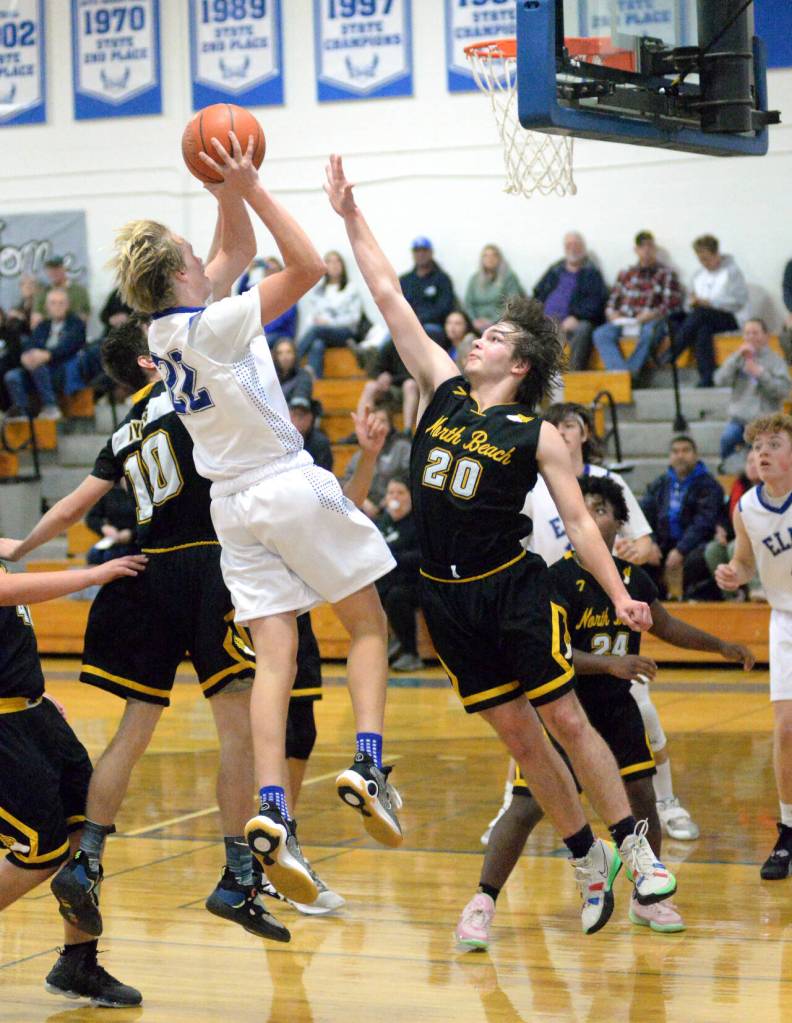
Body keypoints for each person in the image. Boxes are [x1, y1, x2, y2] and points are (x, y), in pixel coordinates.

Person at [327, 153, 676, 935]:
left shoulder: (539, 431)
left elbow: (583, 523)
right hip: (444, 598)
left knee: (566, 720)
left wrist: (621, 594)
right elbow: (388, 295)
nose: (473, 339)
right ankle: (589, 854)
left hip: (511, 586)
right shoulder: (443, 386)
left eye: (490, 335)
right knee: (519, 735)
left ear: (518, 364)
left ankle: (638, 850)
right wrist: (351, 217)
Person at [116, 133, 403, 907]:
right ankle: (371, 762)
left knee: (273, 654)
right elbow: (306, 266)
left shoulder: (160, 329)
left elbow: (233, 245)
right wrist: (261, 188)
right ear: (181, 273)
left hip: (231, 509)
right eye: (190, 249)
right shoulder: (214, 324)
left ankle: (270, 807)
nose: (202, 250)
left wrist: (226, 188)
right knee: (370, 622)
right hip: (281, 482)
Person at [0, 318, 296, 942]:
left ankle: (89, 860)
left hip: (149, 571)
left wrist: (21, 546)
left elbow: (71, 507)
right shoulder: (189, 400)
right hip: (209, 562)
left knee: (134, 729)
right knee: (236, 728)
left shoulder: (123, 429)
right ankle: (238, 876)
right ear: (148, 362)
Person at [455, 474, 754, 949]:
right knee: (526, 806)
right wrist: (610, 664)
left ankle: (647, 897)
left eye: (601, 509)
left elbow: (668, 625)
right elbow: (547, 653)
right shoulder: (555, 579)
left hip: (616, 710)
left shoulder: (633, 580)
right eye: (584, 508)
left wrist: (721, 646)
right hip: (562, 708)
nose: (592, 516)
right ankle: (482, 902)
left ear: (619, 522)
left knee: (643, 799)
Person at [518, 403, 700, 843]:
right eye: (553, 425)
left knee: (644, 715)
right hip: (552, 603)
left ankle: (665, 802)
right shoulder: (528, 483)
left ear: (584, 434)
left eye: (569, 425)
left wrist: (634, 555)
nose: (561, 432)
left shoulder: (609, 483)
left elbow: (644, 542)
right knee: (531, 724)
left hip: (610, 607)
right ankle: (521, 803)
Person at [0, 555, 146, 1008]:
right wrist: (93, 575)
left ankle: (78, 963)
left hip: (34, 714)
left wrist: (32, 692)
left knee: (87, 834)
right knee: (40, 853)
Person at [716, 413, 792, 880]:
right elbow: (744, 562)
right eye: (757, 445)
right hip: (785, 619)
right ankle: (788, 827)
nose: (763, 452)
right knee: (785, 730)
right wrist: (733, 574)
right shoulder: (747, 508)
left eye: (775, 443)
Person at [640, 435, 724, 599]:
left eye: (685, 451)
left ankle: (691, 601)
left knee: (696, 560)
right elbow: (644, 514)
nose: (680, 455)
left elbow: (704, 522)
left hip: (696, 543)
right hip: (663, 541)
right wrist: (650, 542)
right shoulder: (659, 484)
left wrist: (680, 550)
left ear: (695, 455)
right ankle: (654, 604)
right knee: (640, 556)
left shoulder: (709, 485)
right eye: (675, 451)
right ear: (670, 457)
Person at [592, 231, 682, 383]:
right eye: (642, 246)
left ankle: (631, 374)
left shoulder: (666, 274)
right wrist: (612, 313)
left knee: (650, 332)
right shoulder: (625, 273)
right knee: (601, 333)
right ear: (636, 250)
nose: (646, 250)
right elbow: (612, 302)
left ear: (654, 249)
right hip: (624, 319)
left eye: (650, 246)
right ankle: (620, 374)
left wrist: (653, 313)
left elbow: (672, 304)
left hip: (650, 319)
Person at [668, 235, 749, 388]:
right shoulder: (698, 275)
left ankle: (674, 350)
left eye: (707, 259)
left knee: (701, 315)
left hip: (730, 317)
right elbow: (689, 301)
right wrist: (692, 303)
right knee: (702, 329)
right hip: (704, 318)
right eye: (701, 260)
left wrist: (710, 303)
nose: (704, 263)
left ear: (716, 254)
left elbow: (739, 301)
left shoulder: (732, 272)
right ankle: (707, 377)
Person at [714, 319, 790, 466]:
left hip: (766, 421)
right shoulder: (737, 358)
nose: (751, 337)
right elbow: (719, 380)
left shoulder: (776, 361)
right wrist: (736, 359)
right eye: (747, 333)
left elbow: (783, 391)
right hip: (739, 419)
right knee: (726, 439)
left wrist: (761, 374)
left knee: (763, 453)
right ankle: (729, 473)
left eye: (755, 333)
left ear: (766, 336)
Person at [4, 288, 86, 422]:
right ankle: (22, 412)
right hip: (38, 370)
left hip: (62, 370)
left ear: (67, 305)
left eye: (61, 303)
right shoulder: (43, 325)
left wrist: (47, 355)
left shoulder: (76, 324)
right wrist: (25, 356)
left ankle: (51, 407)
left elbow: (69, 347)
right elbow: (31, 343)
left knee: (38, 367)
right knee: (12, 376)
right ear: (47, 307)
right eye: (53, 303)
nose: (57, 306)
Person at [533, 232, 607, 371]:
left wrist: (576, 316)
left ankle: (573, 374)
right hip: (547, 320)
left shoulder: (592, 273)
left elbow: (597, 302)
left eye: (576, 244)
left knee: (584, 328)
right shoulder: (555, 270)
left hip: (573, 322)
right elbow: (538, 293)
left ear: (583, 248)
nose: (572, 248)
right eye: (569, 245)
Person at [375, 474, 422, 673]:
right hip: (389, 580)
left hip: (416, 582)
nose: (395, 497)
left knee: (397, 596)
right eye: (391, 492)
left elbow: (420, 556)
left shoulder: (417, 521)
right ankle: (385, 643)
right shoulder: (383, 521)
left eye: (400, 492)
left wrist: (392, 557)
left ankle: (411, 652)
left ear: (410, 496)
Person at [296, 250, 363, 378]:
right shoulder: (319, 291)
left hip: (344, 332)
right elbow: (312, 316)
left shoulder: (351, 288)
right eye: (330, 261)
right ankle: (314, 381)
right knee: (317, 344)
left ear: (343, 265)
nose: (334, 264)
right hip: (323, 333)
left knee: (316, 331)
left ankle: (293, 360)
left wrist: (329, 322)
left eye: (337, 261)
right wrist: (316, 321)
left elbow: (355, 318)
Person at [341, 400, 411, 518]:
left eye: (382, 421)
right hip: (365, 511)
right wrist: (364, 502)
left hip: (397, 508)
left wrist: (390, 497)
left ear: (390, 424)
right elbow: (346, 481)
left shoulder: (402, 447)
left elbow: (410, 476)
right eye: (374, 421)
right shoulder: (360, 455)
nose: (377, 425)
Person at [398, 237, 457, 347]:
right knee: (387, 343)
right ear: (413, 254)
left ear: (431, 252)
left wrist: (420, 320)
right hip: (407, 326)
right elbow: (398, 306)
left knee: (428, 334)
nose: (421, 254)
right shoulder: (405, 280)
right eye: (417, 251)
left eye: (424, 250)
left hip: (433, 325)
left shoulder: (442, 279)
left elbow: (445, 307)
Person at [464, 244, 524, 334]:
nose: (490, 259)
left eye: (494, 255)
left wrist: (492, 321)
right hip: (477, 324)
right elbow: (468, 303)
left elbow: (513, 304)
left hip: (501, 323)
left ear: (500, 258)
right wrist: (474, 320)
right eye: (486, 256)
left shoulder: (509, 277)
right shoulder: (474, 279)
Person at [238, 255, 298, 344]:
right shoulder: (261, 290)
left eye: (273, 270)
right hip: (263, 334)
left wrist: (263, 331)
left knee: (258, 344)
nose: (270, 273)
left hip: (281, 334)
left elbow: (285, 318)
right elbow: (242, 293)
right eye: (267, 270)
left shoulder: (287, 291)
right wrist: (249, 271)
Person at [32, 255, 91, 327]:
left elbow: (85, 314)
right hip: (47, 330)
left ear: (64, 269)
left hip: (71, 330)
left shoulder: (79, 291)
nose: (53, 272)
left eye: (57, 268)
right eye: (50, 269)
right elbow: (36, 316)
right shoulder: (43, 292)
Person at [288, 395, 333, 472]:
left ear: (311, 417)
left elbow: (323, 473)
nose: (297, 420)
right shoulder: (280, 441)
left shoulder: (320, 443)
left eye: (301, 415)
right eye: (294, 414)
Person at [272, 337, 313, 406]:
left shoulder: (304, 376)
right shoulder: (270, 377)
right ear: (275, 357)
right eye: (280, 353)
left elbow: (299, 405)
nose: (284, 357)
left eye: (288, 352)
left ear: (295, 355)